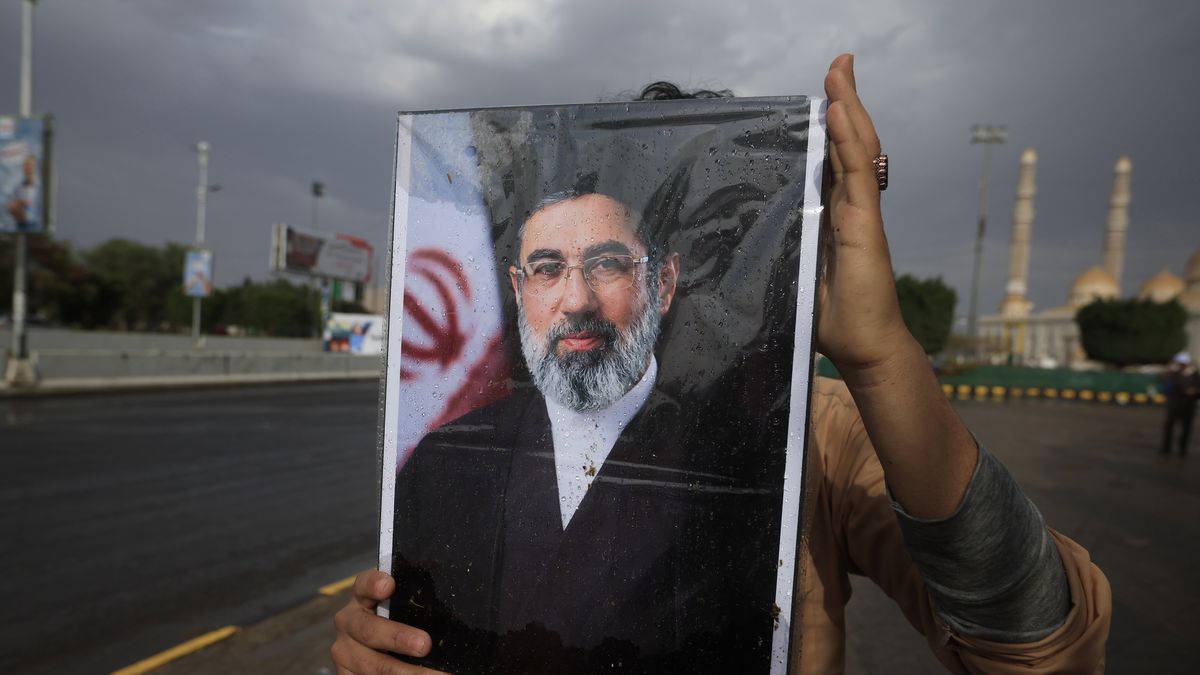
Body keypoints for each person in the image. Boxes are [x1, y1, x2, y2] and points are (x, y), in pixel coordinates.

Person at [332, 55, 1111, 674]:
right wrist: (366, 651)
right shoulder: (447, 458)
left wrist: (879, 356)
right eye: (546, 268)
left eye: (606, 263)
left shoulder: (811, 429)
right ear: (517, 287)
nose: (575, 301)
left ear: (664, 279)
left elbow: (1039, 645)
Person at [1161, 351, 1199, 456]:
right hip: (1174, 404)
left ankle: (1182, 449)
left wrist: (1194, 391)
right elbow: (1165, 380)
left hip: (1188, 405)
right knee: (1169, 426)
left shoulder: (1194, 374)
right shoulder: (1173, 373)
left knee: (1186, 428)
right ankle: (1166, 448)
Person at [5, 153, 40, 233]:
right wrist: (19, 202)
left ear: (34, 167)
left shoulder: (41, 186)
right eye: (25, 165)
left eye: (29, 165)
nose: (27, 168)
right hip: (20, 226)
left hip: (36, 227)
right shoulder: (17, 186)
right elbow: (9, 205)